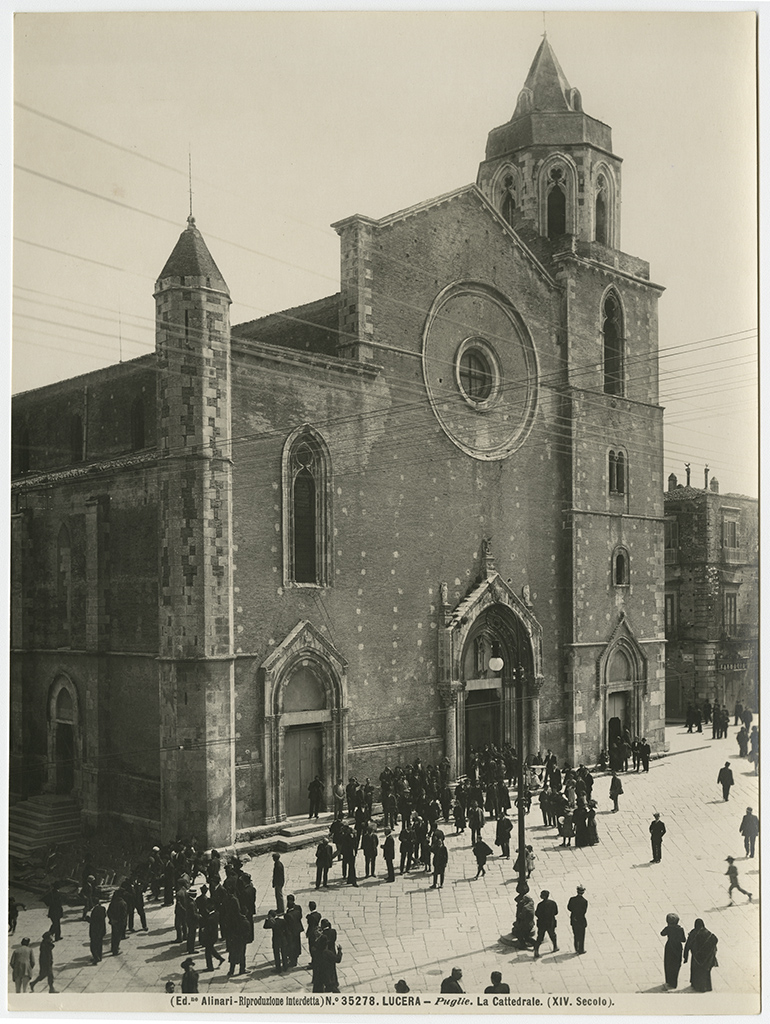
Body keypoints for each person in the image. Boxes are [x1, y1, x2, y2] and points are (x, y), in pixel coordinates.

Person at [683, 919, 718, 992]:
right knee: (705, 972)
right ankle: (707, 987)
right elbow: (715, 940)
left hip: (696, 957)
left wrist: (685, 957)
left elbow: (688, 945)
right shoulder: (709, 934)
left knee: (696, 971)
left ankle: (696, 986)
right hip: (707, 958)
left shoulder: (694, 933)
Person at [660, 912, 686, 988]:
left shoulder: (668, 928)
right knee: (676, 964)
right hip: (678, 947)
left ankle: (668, 981)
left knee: (668, 964)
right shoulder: (680, 929)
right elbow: (683, 940)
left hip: (669, 947)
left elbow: (662, 933)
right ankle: (674, 982)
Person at [533, 890, 558, 958]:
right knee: (552, 935)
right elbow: (556, 912)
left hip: (542, 923)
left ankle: (536, 950)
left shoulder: (540, 905)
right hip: (550, 922)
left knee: (540, 937)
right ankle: (555, 947)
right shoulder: (553, 903)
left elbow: (537, 913)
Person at [566, 885, 587, 954]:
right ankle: (581, 949)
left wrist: (574, 912)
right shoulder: (584, 901)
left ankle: (576, 948)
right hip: (581, 920)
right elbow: (584, 911)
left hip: (573, 918)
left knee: (575, 934)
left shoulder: (572, 899)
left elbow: (569, 907)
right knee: (581, 935)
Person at [284, 895, 304, 967]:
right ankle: (296, 957)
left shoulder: (288, 914)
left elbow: (287, 924)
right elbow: (300, 917)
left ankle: (293, 960)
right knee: (297, 944)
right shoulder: (298, 908)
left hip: (291, 932)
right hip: (297, 929)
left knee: (291, 946)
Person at [107, 890, 127, 956]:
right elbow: (123, 915)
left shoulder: (113, 902)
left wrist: (112, 919)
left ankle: (113, 948)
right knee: (118, 936)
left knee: (114, 935)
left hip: (113, 922)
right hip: (119, 922)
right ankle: (115, 950)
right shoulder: (123, 903)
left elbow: (108, 912)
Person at [89, 897, 107, 964]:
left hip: (95, 930)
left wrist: (88, 919)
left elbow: (94, 921)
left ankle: (96, 958)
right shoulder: (102, 908)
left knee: (93, 946)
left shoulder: (95, 910)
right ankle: (99, 956)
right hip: (101, 930)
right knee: (99, 944)